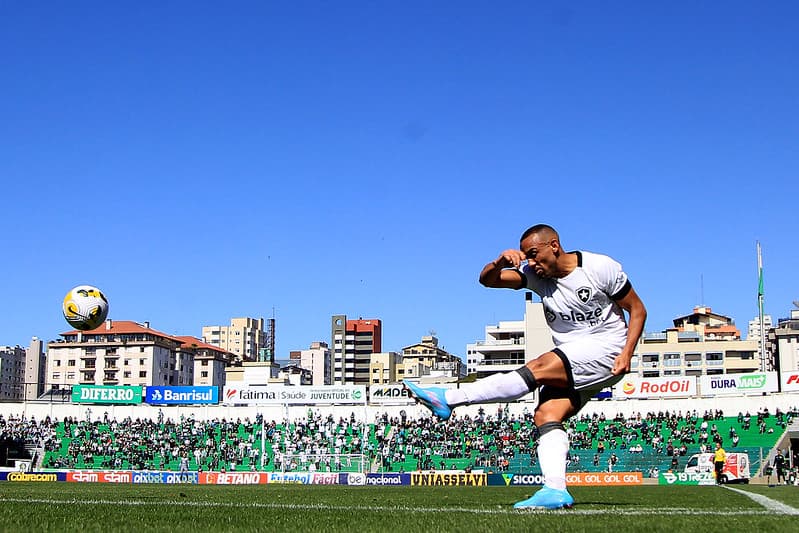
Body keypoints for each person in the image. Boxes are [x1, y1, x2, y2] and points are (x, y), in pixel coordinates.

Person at [404, 224, 646, 509]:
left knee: (540, 365)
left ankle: (449, 398)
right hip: (577, 358)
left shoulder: (597, 267)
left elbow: (638, 309)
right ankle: (555, 491)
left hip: (608, 348)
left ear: (554, 246)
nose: (531, 263)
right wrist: (499, 263)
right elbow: (488, 280)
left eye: (534, 254)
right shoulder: (537, 276)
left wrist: (627, 353)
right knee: (546, 413)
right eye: (527, 257)